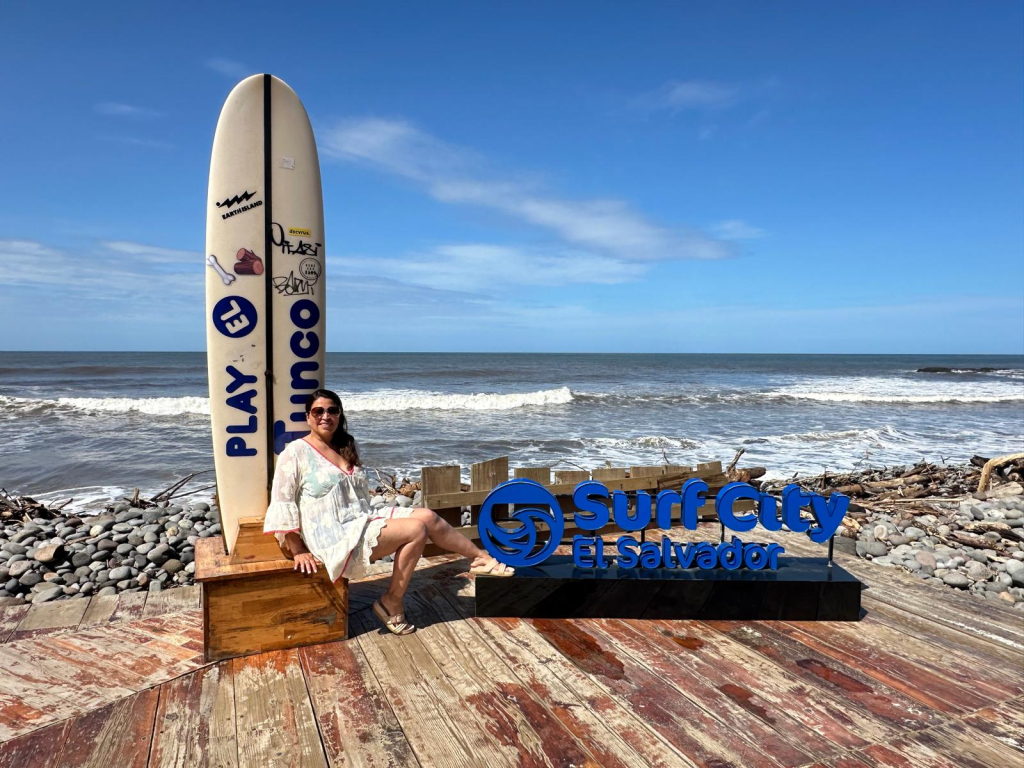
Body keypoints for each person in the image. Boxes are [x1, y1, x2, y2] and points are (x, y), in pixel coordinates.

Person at [264, 388, 513, 636]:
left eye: (332, 410)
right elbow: (282, 500)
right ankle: (391, 601)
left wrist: (377, 516)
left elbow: (357, 500)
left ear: (339, 415)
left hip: (361, 519)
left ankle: (479, 558)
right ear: (308, 417)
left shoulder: (345, 446)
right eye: (318, 411)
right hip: (333, 533)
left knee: (427, 516)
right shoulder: (296, 452)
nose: (325, 416)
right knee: (416, 529)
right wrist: (297, 549)